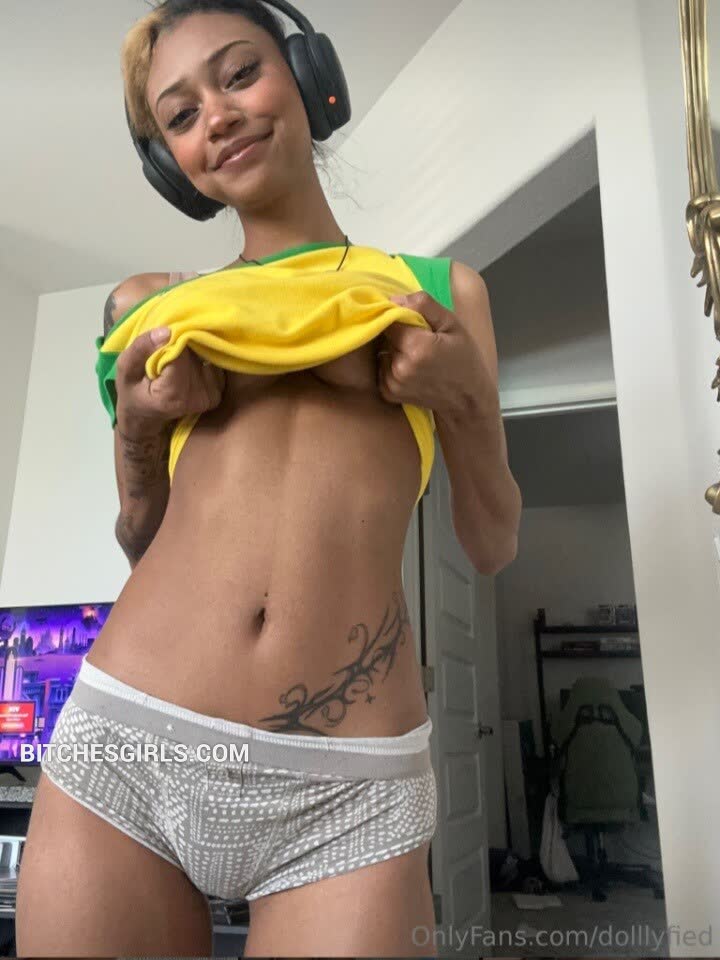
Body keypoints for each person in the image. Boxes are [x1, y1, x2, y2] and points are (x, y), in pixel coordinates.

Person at [16, 1, 522, 956]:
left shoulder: (440, 294)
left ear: (306, 75)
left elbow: (492, 541)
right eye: (180, 114)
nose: (217, 116)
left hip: (348, 796)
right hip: (128, 749)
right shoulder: (153, 310)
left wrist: (462, 398)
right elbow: (140, 539)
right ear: (172, 160)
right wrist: (137, 426)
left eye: (240, 73)